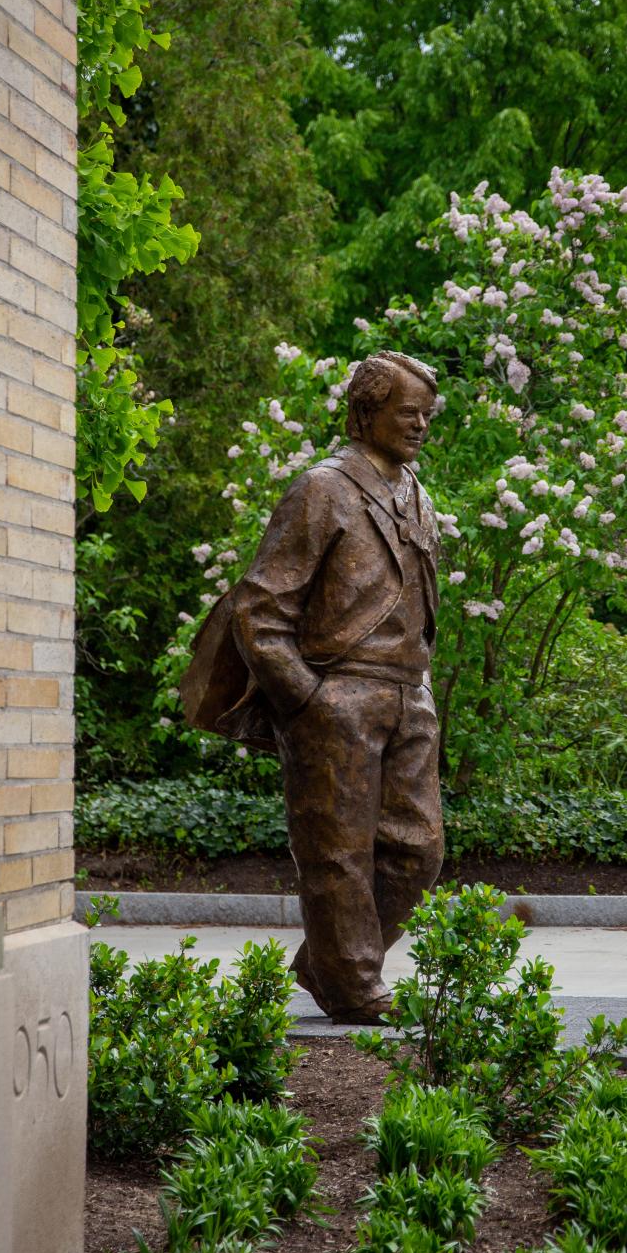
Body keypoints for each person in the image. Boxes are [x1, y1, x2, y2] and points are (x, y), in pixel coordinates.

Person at [228, 350, 444, 1022]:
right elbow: (258, 609)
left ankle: (327, 961)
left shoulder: (418, 493)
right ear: (365, 411)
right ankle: (354, 984)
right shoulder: (321, 488)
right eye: (408, 413)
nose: (419, 427)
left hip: (410, 694)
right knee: (338, 854)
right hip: (337, 695)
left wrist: (422, 685)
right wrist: (310, 701)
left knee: (418, 851)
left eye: (426, 416)